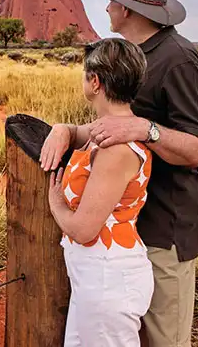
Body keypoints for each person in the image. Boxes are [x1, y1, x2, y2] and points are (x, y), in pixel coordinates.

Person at [41, 0, 198, 347]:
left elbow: (196, 149)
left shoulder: (178, 59)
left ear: (128, 9)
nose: (107, 9)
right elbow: (111, 126)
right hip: (124, 233)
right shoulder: (133, 56)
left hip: (163, 232)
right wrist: (66, 130)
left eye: (112, 1)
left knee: (164, 341)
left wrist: (144, 130)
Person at [47, 38, 154, 347]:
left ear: (94, 81)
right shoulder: (108, 129)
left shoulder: (116, 148)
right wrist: (61, 129)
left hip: (108, 280)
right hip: (96, 279)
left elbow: (83, 229)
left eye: (85, 74)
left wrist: (56, 203)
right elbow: (80, 133)